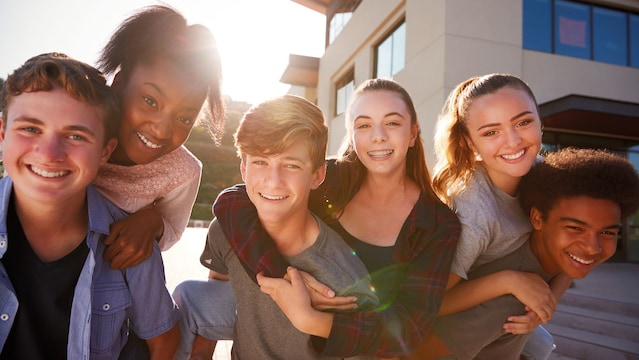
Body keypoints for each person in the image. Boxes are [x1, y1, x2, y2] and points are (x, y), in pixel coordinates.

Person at [203, 78, 460, 358]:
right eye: (364, 125)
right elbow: (236, 202)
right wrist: (284, 277)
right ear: (353, 135)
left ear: (413, 133)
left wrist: (311, 319)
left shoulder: (436, 223)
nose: (378, 136)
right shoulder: (332, 180)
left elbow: (408, 327)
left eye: (392, 123)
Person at [0, 53, 179, 358]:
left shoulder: (131, 245)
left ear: (105, 151)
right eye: (30, 129)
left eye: (75, 135)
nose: (49, 153)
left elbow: (163, 341)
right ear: (2, 134)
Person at [175, 94, 379, 359]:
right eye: (260, 161)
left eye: (291, 165)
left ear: (317, 175)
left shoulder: (343, 284)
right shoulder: (226, 232)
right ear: (244, 169)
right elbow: (217, 285)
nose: (273, 181)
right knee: (188, 294)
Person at [421, 147, 639, 359]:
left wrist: (549, 301)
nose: (593, 247)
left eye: (607, 232)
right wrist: (508, 283)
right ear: (536, 219)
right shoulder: (511, 303)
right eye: (575, 228)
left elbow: (572, 265)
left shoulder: (549, 253)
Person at [405, 74, 566, 360]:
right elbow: (431, 303)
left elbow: (578, 251)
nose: (513, 141)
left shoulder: (549, 177)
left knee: (540, 346)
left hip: (511, 318)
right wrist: (509, 281)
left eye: (523, 122)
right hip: (449, 328)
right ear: (469, 142)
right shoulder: (471, 212)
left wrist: (544, 305)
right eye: (491, 132)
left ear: (540, 121)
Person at [92, 4, 224, 269]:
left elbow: (172, 231)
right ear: (119, 83)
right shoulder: (78, 133)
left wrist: (153, 222)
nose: (162, 130)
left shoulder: (182, 171)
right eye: (150, 101)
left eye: (184, 118)